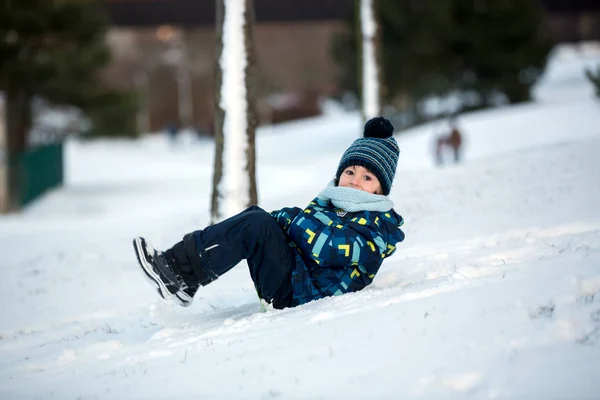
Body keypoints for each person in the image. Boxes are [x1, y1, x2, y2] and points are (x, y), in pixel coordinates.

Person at [133, 116, 405, 309]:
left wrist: (289, 218)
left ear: (381, 190)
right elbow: (300, 231)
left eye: (367, 178)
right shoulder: (330, 203)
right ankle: (183, 278)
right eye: (349, 172)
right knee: (256, 217)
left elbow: (326, 247)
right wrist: (287, 222)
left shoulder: (377, 231)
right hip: (294, 279)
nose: (355, 181)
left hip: (302, 297)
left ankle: (177, 273)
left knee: (257, 225)